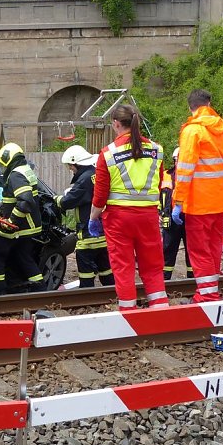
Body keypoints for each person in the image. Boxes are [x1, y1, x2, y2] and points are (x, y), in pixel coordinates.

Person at [89, 104, 167, 311]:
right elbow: (159, 183)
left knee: (123, 267)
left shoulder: (108, 153)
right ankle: (160, 310)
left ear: (116, 124)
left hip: (118, 219)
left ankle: (128, 312)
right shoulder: (156, 150)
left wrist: (93, 218)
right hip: (149, 216)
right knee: (153, 266)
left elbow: (100, 195)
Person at [172, 89, 223, 302]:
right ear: (209, 104)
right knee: (214, 247)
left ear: (190, 106)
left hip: (199, 203)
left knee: (199, 250)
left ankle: (207, 296)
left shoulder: (193, 131)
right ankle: (211, 290)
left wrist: (178, 201)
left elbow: (185, 169)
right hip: (221, 201)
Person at [0, 142, 45, 294]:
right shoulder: (25, 170)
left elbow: (25, 200)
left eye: (2, 164)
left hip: (18, 227)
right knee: (24, 257)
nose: (2, 168)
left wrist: (11, 221)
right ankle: (40, 290)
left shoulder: (15, 175)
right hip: (29, 226)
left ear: (8, 159)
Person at [55, 145, 114, 288]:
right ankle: (112, 295)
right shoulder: (96, 173)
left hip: (88, 238)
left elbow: (67, 202)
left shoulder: (84, 179)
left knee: (86, 277)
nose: (70, 169)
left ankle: (88, 297)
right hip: (103, 235)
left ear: (76, 163)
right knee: (107, 273)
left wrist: (57, 199)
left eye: (70, 166)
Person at [160, 147, 193, 281]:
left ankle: (192, 281)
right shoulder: (165, 175)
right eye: (177, 160)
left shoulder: (193, 176)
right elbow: (158, 196)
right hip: (170, 220)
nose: (179, 162)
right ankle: (164, 281)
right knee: (167, 251)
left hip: (189, 218)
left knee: (192, 252)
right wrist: (159, 213)